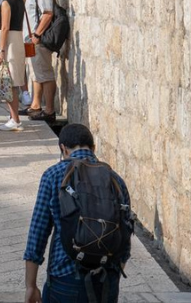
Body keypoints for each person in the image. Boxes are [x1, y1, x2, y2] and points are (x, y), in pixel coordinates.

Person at [24, 124, 130, 303]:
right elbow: (126, 234)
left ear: (63, 148)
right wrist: (114, 272)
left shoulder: (53, 175)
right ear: (93, 148)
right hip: (106, 279)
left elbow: (38, 233)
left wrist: (30, 286)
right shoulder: (115, 179)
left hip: (65, 278)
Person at [25, 0, 59, 121]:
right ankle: (36, 105)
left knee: (44, 72)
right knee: (36, 71)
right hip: (33, 37)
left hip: (39, 37)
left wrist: (37, 35)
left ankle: (49, 110)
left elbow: (47, 13)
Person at [0, 0, 26, 132]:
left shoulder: (6, 3)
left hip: (9, 42)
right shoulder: (20, 0)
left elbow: (5, 27)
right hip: (17, 39)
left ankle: (15, 118)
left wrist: (1, 51)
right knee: (13, 80)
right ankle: (13, 116)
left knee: (8, 81)